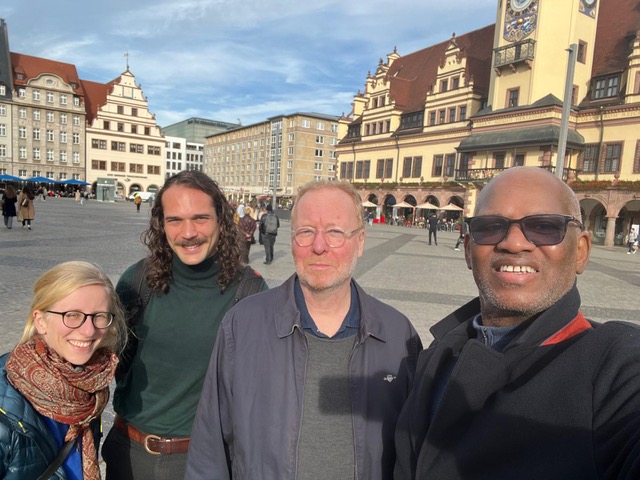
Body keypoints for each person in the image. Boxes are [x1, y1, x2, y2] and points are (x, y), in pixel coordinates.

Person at [394, 167, 640, 480]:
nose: (513, 243)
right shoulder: (437, 353)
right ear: (469, 250)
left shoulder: (613, 366)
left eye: (544, 226)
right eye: (491, 226)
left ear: (580, 252)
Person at [184, 180, 422, 480]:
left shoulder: (399, 336)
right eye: (306, 232)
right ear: (292, 239)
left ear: (360, 242)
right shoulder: (242, 325)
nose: (318, 246)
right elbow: (210, 449)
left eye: (335, 232)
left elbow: (414, 454)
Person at [102, 170, 268, 480]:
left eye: (200, 218)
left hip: (202, 461)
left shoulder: (250, 293)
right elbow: (107, 362)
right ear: (160, 224)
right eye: (175, 220)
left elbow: (260, 394)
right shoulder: (137, 280)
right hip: (129, 454)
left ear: (221, 218)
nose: (188, 232)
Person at [0, 261, 127, 480]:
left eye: (99, 316)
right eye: (73, 315)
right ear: (41, 321)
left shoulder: (87, 388)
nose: (88, 331)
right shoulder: (5, 410)